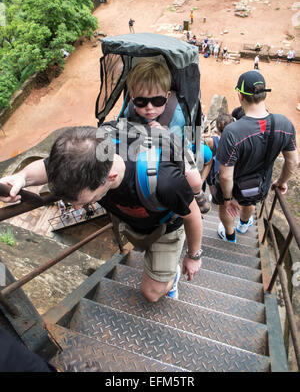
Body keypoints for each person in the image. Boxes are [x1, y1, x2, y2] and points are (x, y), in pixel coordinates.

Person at [0, 127, 203, 303]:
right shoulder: (80, 157)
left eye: (86, 201)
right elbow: (46, 166)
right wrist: (21, 177)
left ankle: (171, 277)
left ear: (110, 177)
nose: (78, 210)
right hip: (132, 219)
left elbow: (192, 215)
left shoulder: (165, 181)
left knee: (151, 293)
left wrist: (193, 256)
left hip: (166, 227)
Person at [212, 70, 298, 243]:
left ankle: (230, 235)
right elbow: (293, 161)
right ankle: (244, 224)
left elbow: (225, 175)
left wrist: (228, 199)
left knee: (225, 208)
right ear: (263, 95)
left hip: (234, 186)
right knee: (250, 202)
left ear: (240, 96)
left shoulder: (232, 132)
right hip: (261, 183)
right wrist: (281, 182)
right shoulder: (284, 124)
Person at [124, 59, 212, 214]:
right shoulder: (130, 110)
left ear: (167, 96)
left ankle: (197, 193)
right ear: (132, 97)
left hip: (176, 147)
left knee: (194, 178)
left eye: (157, 101)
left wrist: (164, 135)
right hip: (143, 145)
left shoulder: (175, 114)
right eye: (141, 101)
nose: (149, 108)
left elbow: (178, 147)